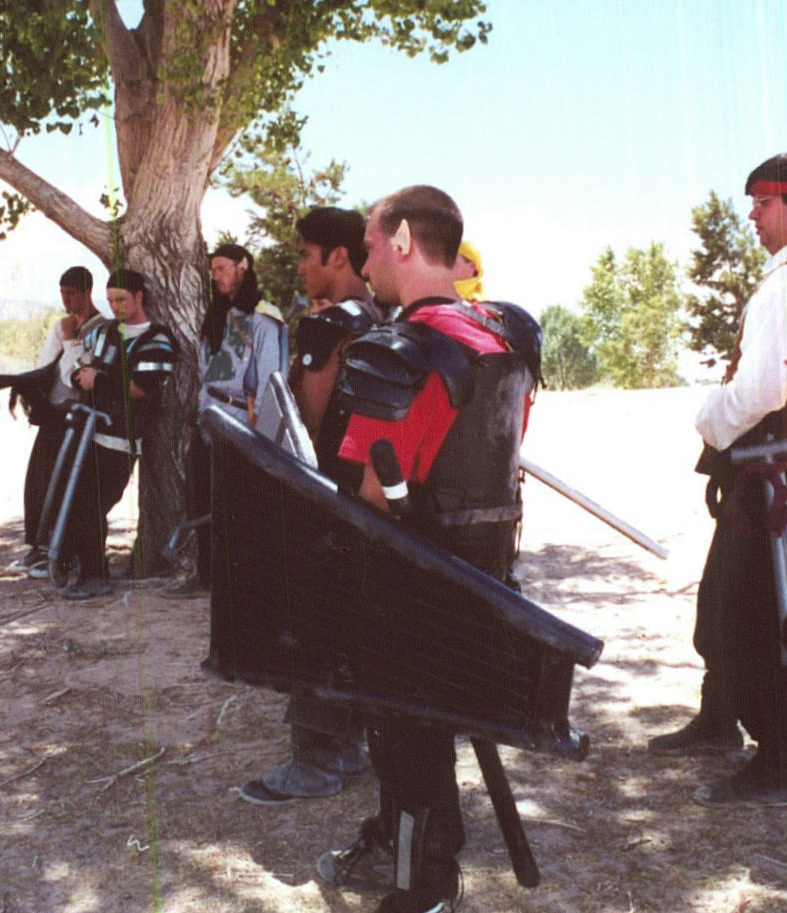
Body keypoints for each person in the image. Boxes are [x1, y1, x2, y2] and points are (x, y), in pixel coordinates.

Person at [316, 186, 538, 913]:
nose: (366, 264)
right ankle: (400, 842)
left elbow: (373, 500)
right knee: (421, 731)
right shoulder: (506, 336)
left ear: (404, 239)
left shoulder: (399, 351)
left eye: (371, 246)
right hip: (486, 573)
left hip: (409, 585)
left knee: (407, 738)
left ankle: (423, 886)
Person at [653, 152, 787, 809]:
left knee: (759, 615)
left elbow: (763, 389)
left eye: (762, 203)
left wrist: (709, 421)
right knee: (726, 601)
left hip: (784, 476)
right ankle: (719, 721)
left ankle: (773, 765)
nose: (753, 217)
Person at [237, 206, 378, 806]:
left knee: (313, 624)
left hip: (324, 500)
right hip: (366, 500)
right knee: (351, 626)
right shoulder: (380, 317)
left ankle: (315, 761)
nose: (298, 267)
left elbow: (307, 428)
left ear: (337, 257)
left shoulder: (326, 327)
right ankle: (346, 747)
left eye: (304, 255)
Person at [164, 243, 287, 599]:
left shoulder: (263, 318)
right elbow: (208, 375)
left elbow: (270, 379)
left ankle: (237, 579)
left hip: (242, 420)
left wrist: (261, 432)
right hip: (210, 416)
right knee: (201, 497)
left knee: (237, 502)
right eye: (213, 270)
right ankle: (206, 575)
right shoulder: (216, 315)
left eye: (222, 268)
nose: (216, 276)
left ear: (242, 267)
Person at [55, 269, 175, 600]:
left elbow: (143, 387)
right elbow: (76, 366)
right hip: (89, 433)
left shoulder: (157, 339)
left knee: (92, 504)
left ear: (139, 297)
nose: (115, 307)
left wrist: (100, 380)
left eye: (121, 299)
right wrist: (83, 376)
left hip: (121, 438)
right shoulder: (103, 332)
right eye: (109, 300)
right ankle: (83, 568)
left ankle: (95, 577)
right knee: (76, 501)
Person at [10, 267, 103, 578]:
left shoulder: (101, 328)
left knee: (65, 485)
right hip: (53, 414)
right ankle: (39, 546)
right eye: (62, 293)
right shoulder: (62, 325)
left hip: (77, 417)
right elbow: (46, 366)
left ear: (87, 292)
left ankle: (60, 551)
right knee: (39, 482)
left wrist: (71, 340)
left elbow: (80, 373)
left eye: (71, 293)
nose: (66, 299)